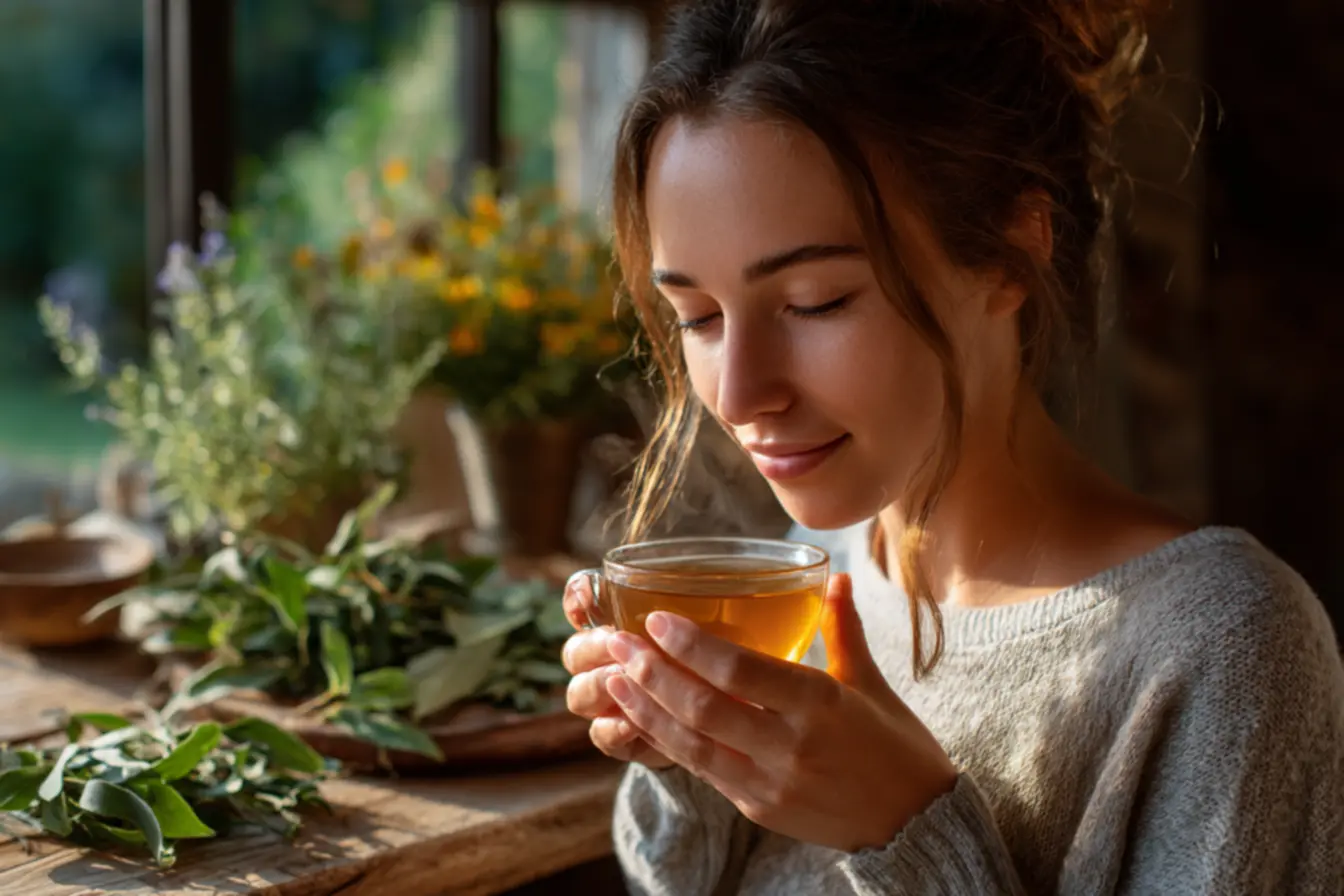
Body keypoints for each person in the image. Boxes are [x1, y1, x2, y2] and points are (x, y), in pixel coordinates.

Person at [561, 0, 1344, 892]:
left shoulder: (1224, 651)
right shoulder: (813, 575)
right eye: (696, 316)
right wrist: (687, 747)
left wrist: (904, 829)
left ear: (1011, 255)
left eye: (816, 302)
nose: (738, 396)